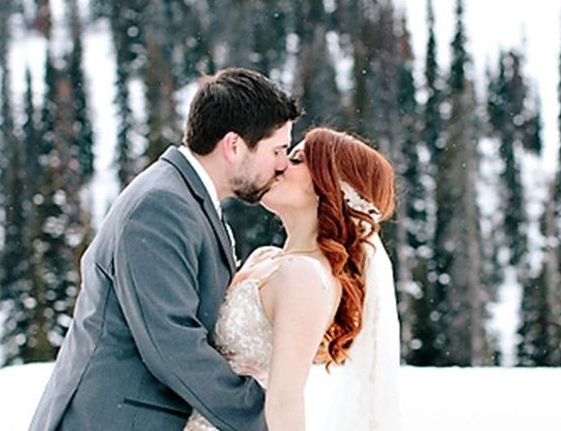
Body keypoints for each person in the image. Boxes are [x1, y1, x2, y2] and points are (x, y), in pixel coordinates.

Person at [28, 67, 301, 431]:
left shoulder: (186, 198)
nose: (282, 165)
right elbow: (171, 343)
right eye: (277, 150)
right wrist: (266, 420)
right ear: (233, 146)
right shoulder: (161, 205)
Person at [184, 127, 401, 431]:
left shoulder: (304, 276)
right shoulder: (266, 258)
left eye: (297, 160)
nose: (280, 164)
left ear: (330, 187)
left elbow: (284, 399)